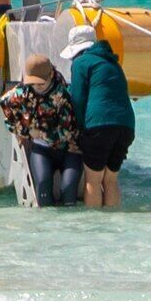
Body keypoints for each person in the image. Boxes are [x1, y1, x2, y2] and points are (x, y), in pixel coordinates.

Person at [62, 21, 135, 209]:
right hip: (126, 126)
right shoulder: (113, 62)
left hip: (99, 126)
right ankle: (112, 221)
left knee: (93, 180)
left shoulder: (81, 63)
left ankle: (94, 227)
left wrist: (78, 128)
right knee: (110, 179)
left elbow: (78, 99)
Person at [0, 55, 81, 206]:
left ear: (51, 75)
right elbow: (5, 104)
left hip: (69, 150)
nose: (36, 86)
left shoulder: (63, 94)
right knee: (42, 186)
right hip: (42, 150)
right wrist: (24, 131)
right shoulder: (24, 91)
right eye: (33, 82)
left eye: (41, 83)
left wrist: (40, 133)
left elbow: (66, 132)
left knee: (68, 190)